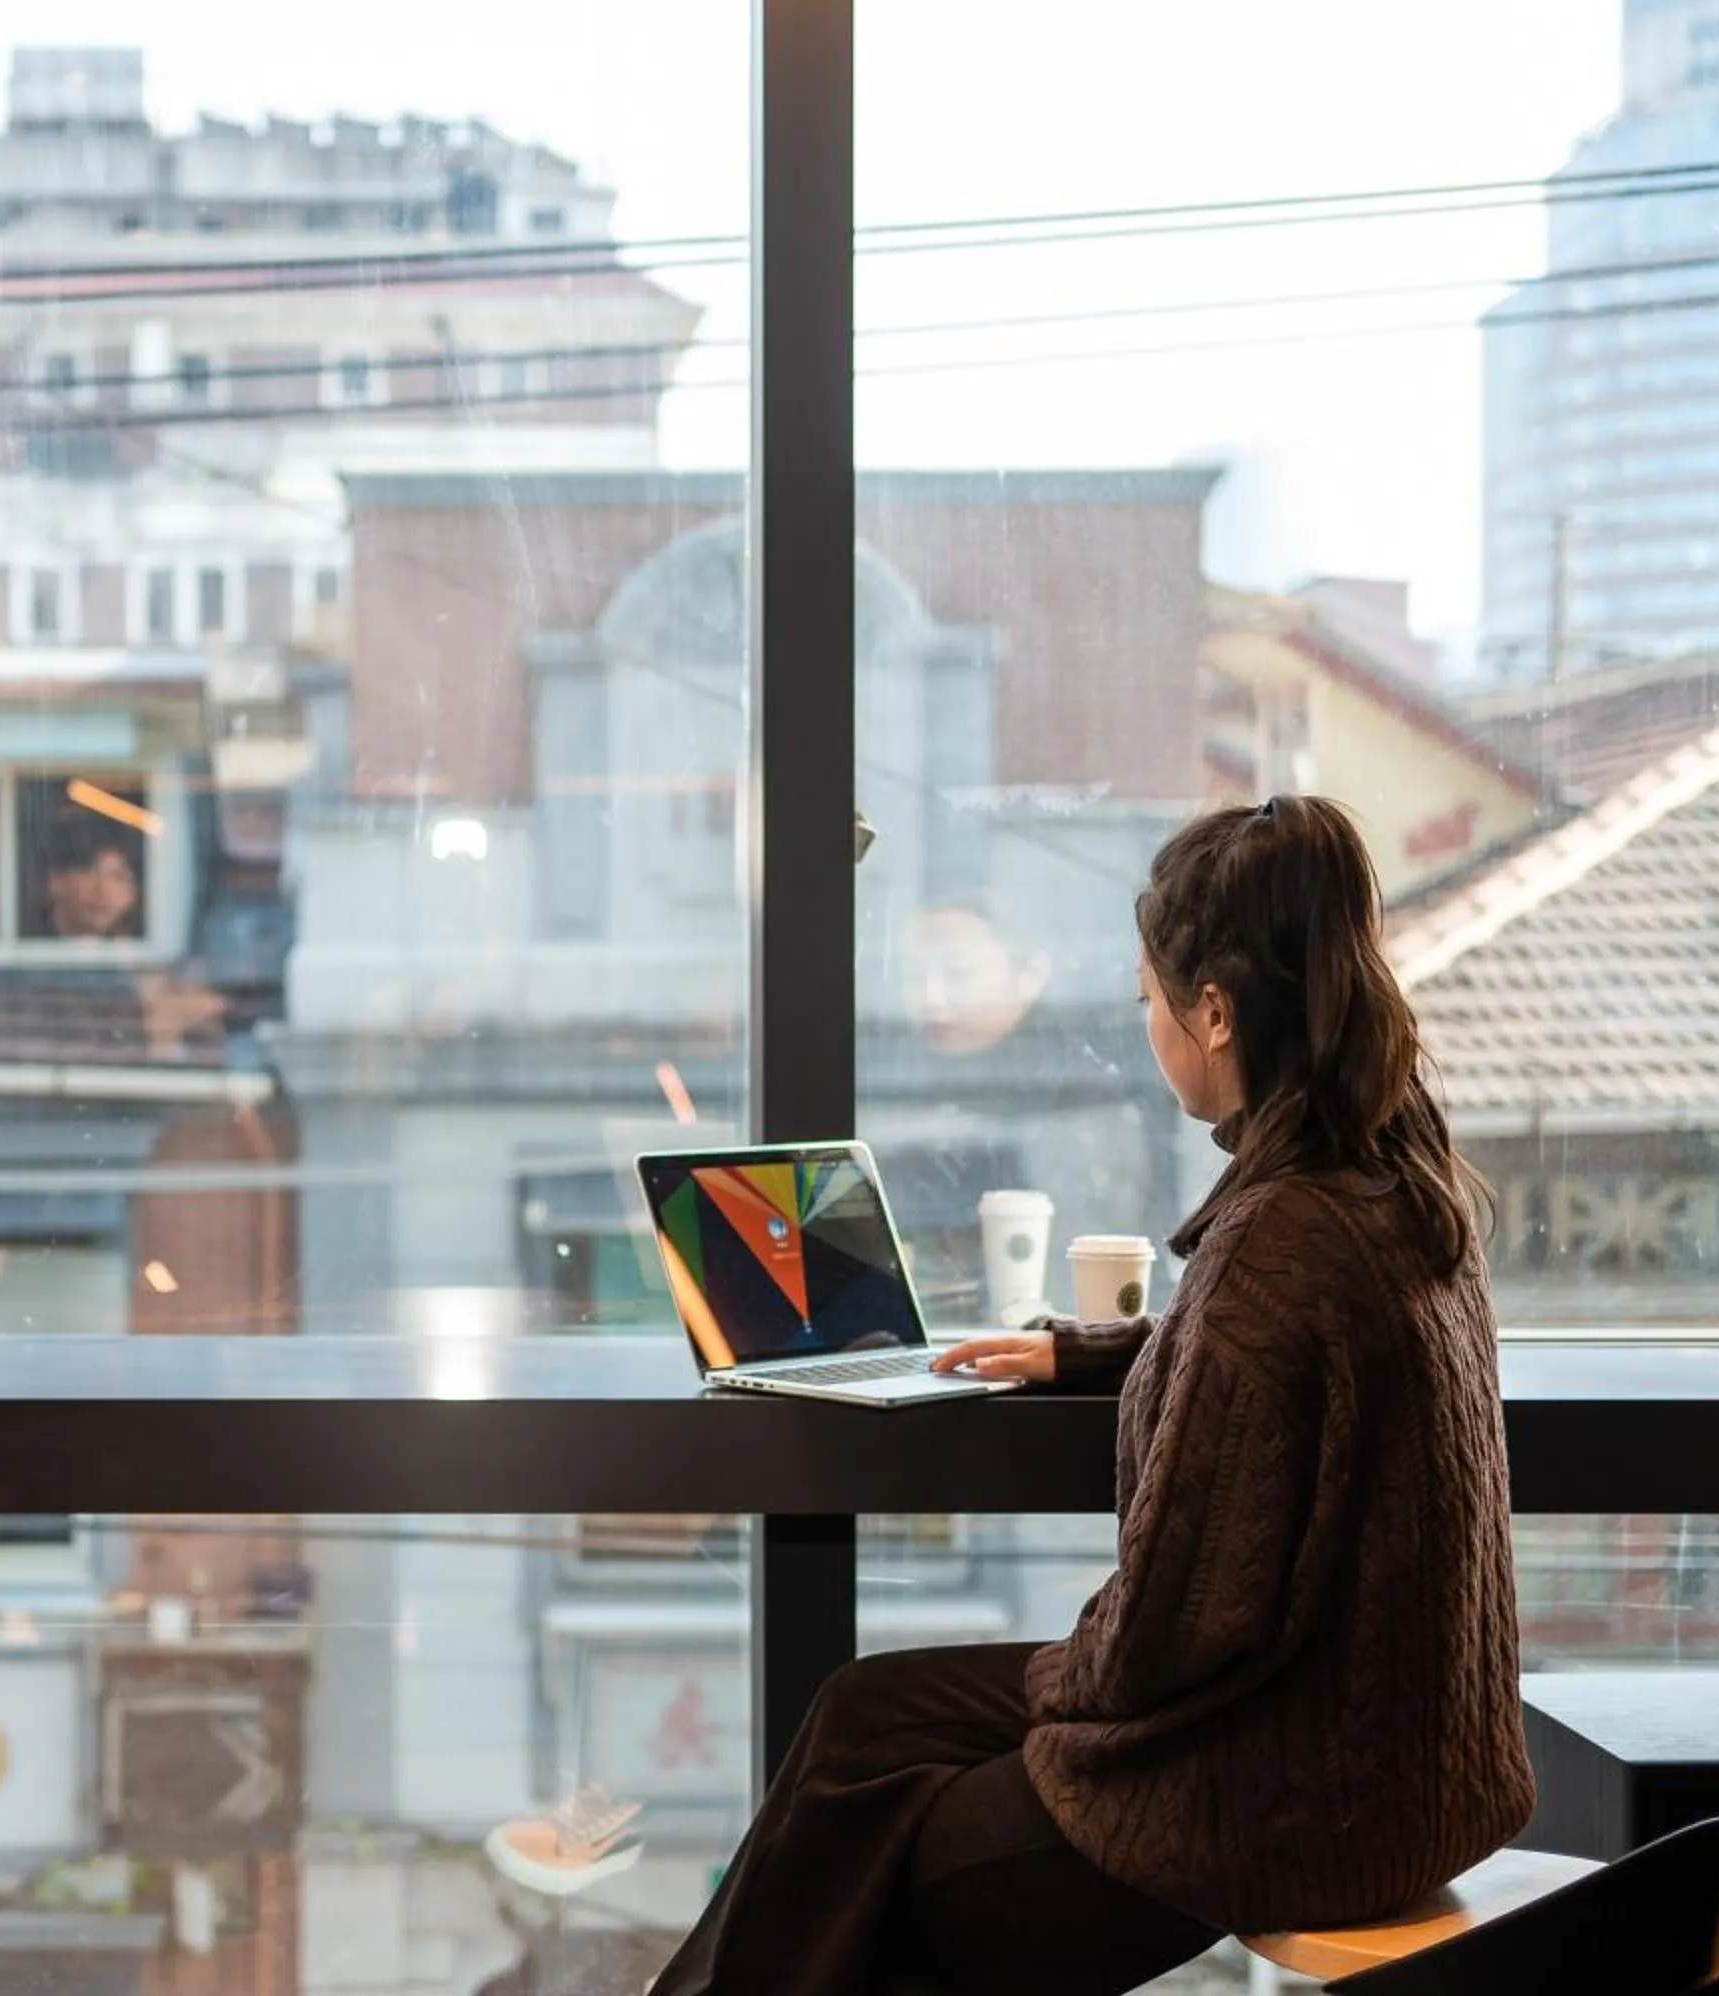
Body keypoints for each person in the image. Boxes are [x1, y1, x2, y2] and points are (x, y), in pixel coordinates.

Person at [651, 795, 1534, 1996]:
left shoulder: (1280, 1238)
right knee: (863, 1716)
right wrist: (1107, 1352)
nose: (1147, 1027)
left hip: (1295, 1791)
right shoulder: (1388, 1168)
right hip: (1405, 1759)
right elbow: (1296, 1357)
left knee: (872, 1862)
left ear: (1213, 1012)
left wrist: (1048, 1702)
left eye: (1148, 1001)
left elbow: (1169, 1630)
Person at [34, 818, 143, 941]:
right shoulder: (24, 946)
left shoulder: (143, 950)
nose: (104, 890)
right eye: (89, 873)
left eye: (119, 877)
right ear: (54, 880)